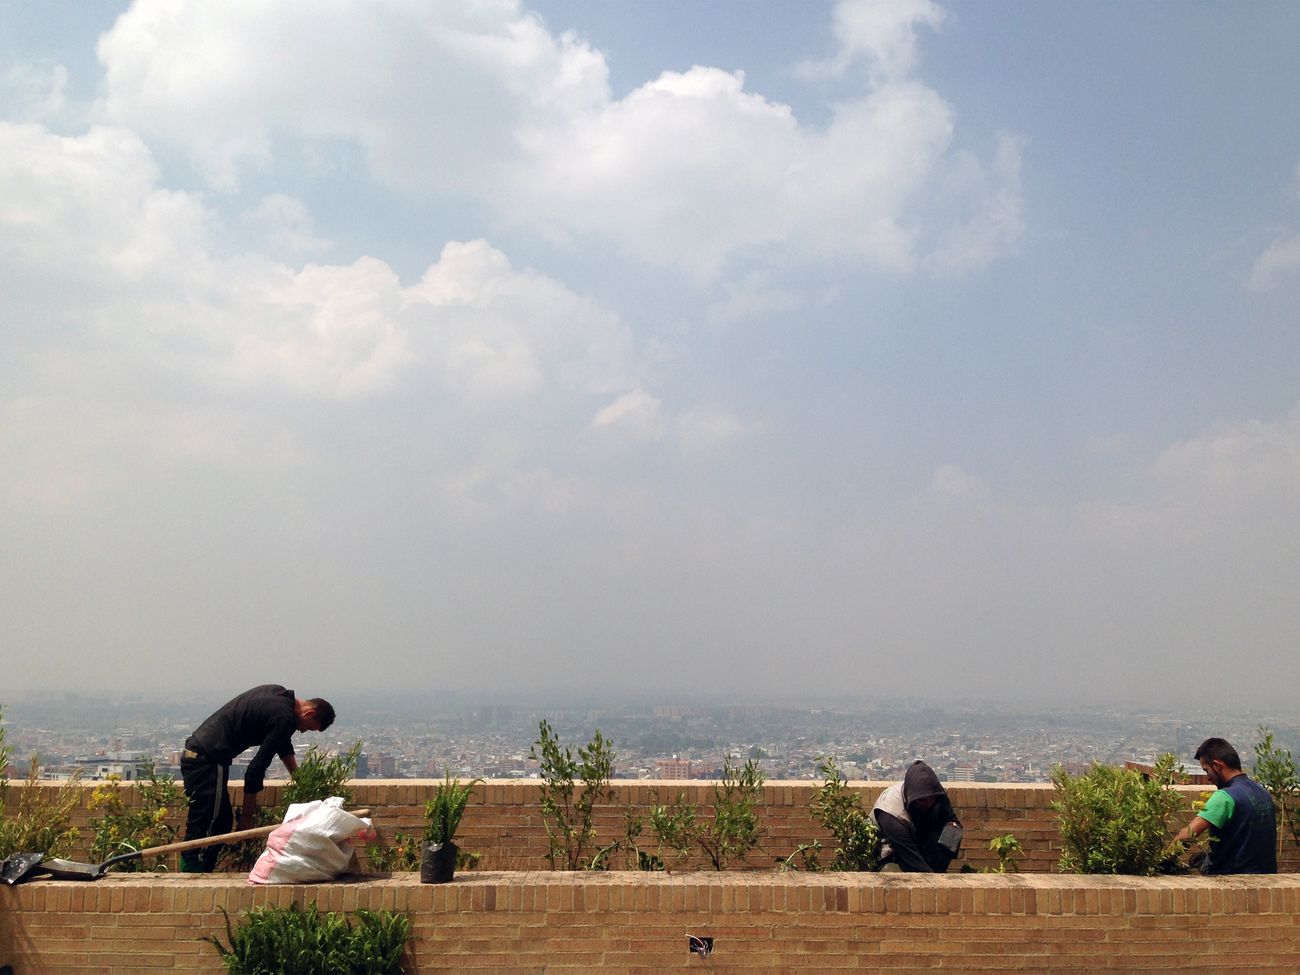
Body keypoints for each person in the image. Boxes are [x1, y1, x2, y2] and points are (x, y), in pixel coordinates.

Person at [179, 685, 335, 872]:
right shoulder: (285, 718)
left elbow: (281, 742)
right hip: (208, 759)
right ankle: (192, 872)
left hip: (205, 754)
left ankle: (203, 869)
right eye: (307, 728)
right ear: (309, 713)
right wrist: (247, 817)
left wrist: (299, 778)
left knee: (222, 820)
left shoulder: (278, 694)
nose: (302, 731)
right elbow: (255, 770)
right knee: (208, 819)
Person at [1172, 737, 1276, 875]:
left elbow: (1188, 835)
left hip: (1232, 880)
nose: (1208, 778)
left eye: (1206, 770)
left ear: (1217, 766)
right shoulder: (1263, 792)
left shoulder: (1225, 797)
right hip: (1265, 877)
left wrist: (1162, 860)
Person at [871, 760, 963, 872]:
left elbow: (951, 820)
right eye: (922, 801)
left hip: (919, 838)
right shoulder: (891, 813)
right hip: (891, 853)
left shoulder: (936, 795)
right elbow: (911, 858)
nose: (928, 804)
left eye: (931, 799)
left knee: (953, 831)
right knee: (892, 873)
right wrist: (935, 883)